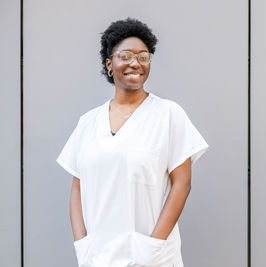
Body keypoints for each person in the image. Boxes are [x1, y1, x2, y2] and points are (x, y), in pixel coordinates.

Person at [56, 17, 209, 267]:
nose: (135, 63)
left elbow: (182, 184)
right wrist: (81, 245)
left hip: (152, 257)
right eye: (125, 55)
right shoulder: (88, 122)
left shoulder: (168, 115)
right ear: (109, 63)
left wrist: (152, 249)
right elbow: (77, 188)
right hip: (97, 258)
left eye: (143, 56)